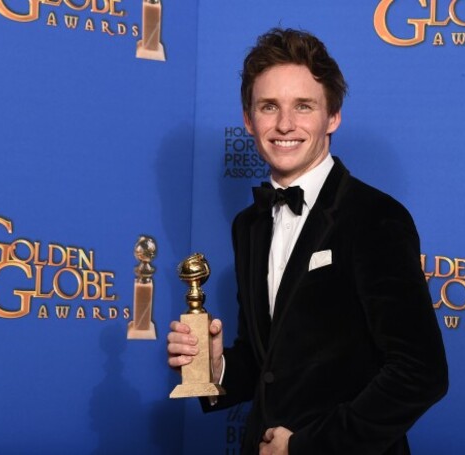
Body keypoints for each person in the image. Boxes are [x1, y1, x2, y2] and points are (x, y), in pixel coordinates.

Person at [168, 28, 448, 455]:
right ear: (248, 119)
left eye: (303, 106)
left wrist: (308, 446)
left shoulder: (375, 218)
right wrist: (215, 365)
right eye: (269, 107)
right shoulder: (250, 225)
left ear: (332, 116)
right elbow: (269, 365)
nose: (284, 125)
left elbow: (420, 372)